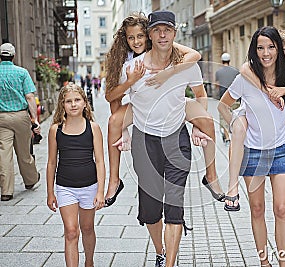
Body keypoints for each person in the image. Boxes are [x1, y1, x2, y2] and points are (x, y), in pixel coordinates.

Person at [120, 10, 215, 267]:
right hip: (145, 144)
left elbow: (200, 95)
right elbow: (121, 108)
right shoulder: (132, 69)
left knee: (174, 207)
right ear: (149, 35)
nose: (162, 35)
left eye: (167, 30)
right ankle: (161, 251)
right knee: (151, 211)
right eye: (157, 30)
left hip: (177, 142)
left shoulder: (186, 65)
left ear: (174, 33)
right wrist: (124, 131)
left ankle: (169, 262)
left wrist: (197, 126)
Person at [104, 12, 224, 207]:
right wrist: (124, 129)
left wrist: (196, 125)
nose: (136, 41)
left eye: (140, 36)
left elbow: (195, 56)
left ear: (148, 35)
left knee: (208, 122)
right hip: (141, 106)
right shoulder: (126, 63)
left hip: (174, 103)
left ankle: (211, 176)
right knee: (114, 122)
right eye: (131, 37)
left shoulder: (164, 43)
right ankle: (114, 180)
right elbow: (112, 99)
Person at [218, 26, 285, 266]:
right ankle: (264, 262)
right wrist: (238, 125)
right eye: (260, 47)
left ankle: (283, 264)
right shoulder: (245, 78)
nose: (266, 53)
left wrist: (279, 90)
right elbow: (222, 106)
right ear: (254, 50)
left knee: (281, 209)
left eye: (271, 47)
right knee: (257, 209)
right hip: (253, 153)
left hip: (280, 150)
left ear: (279, 49)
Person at [46, 82, 105, 267]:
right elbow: (51, 162)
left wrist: (100, 191)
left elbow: (101, 161)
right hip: (65, 187)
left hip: (90, 186)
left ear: (85, 103)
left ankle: (89, 262)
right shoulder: (56, 129)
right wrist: (50, 192)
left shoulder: (93, 128)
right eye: (68, 101)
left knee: (87, 228)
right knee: (71, 231)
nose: (73, 104)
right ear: (62, 105)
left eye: (77, 100)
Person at [0, 42, 41, 201]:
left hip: (2, 118)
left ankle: (6, 191)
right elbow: (30, 97)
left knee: (4, 154)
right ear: (13, 56)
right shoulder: (22, 73)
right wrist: (34, 119)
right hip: (20, 116)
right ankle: (30, 180)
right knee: (24, 151)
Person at [215, 52, 239, 144]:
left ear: (222, 61)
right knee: (235, 117)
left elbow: (216, 84)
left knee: (223, 119)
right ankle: (235, 136)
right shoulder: (235, 71)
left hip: (223, 100)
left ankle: (227, 137)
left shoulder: (218, 72)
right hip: (235, 99)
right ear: (229, 60)